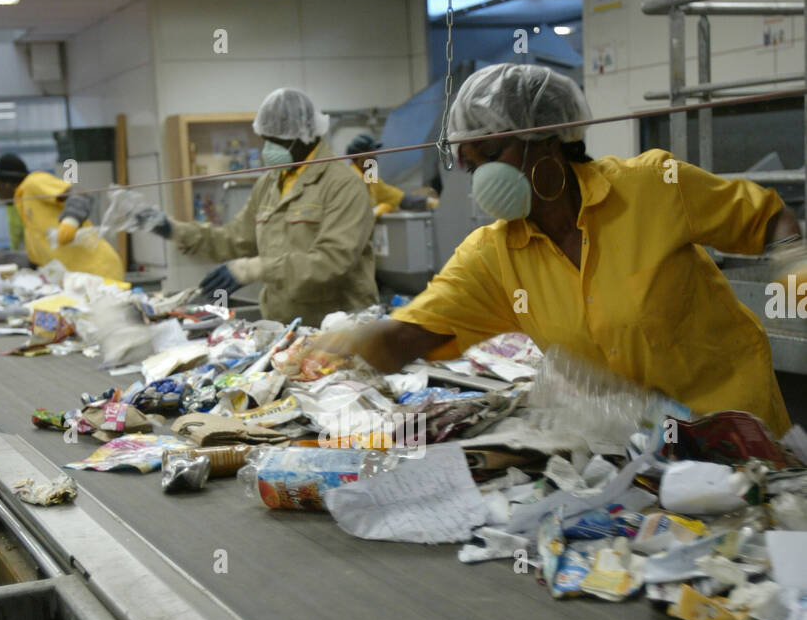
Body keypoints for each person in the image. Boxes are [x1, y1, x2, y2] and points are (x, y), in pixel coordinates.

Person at [314, 63, 798, 435]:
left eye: (492, 154)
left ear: (545, 138)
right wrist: (348, 344)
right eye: (470, 164)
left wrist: (793, 259)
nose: (483, 177)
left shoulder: (652, 187)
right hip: (643, 452)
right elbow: (409, 338)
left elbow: (766, 217)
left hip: (736, 430)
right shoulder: (494, 257)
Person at [137, 90, 378, 328]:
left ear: (305, 135)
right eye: (266, 139)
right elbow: (234, 239)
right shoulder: (270, 183)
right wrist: (171, 229)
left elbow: (332, 261)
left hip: (340, 330)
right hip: (282, 327)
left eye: (278, 140)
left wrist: (253, 268)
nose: (269, 148)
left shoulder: (343, 184)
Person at [0, 154, 124, 280]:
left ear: (6, 183)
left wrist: (71, 220)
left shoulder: (33, 183)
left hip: (99, 271)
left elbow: (79, 194)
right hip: (77, 280)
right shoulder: (23, 206)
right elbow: (34, 261)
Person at [345, 133, 439, 216]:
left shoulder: (370, 180)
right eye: (371, 154)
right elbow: (354, 214)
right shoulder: (350, 180)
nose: (375, 158)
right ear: (360, 157)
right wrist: (379, 209)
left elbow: (400, 198)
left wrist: (431, 202)